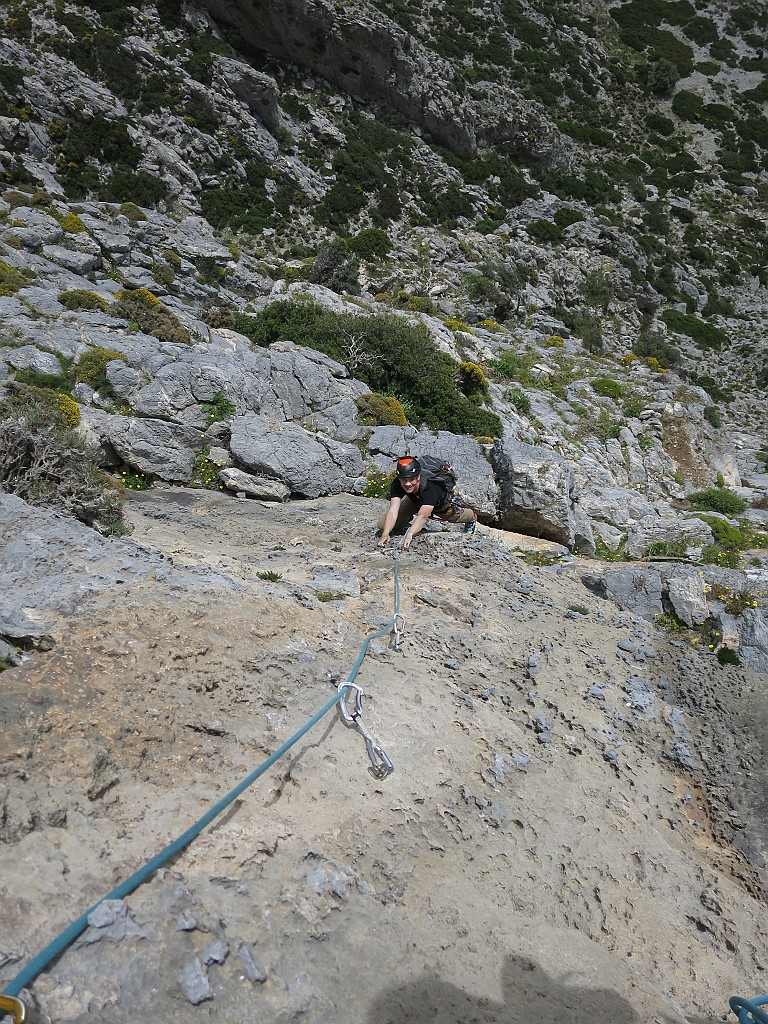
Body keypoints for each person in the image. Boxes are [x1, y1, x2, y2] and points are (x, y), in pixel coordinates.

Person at [377, 456, 477, 550]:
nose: (407, 484)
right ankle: (406, 519)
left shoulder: (430, 488)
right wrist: (385, 534)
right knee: (382, 525)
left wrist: (410, 534)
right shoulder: (397, 483)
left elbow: (422, 516)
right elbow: (393, 510)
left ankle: (471, 517)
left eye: (411, 479)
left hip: (439, 505)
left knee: (454, 516)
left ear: (418, 477)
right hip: (414, 499)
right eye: (404, 480)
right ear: (399, 478)